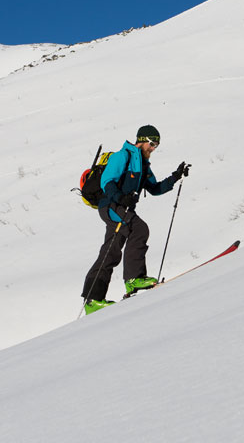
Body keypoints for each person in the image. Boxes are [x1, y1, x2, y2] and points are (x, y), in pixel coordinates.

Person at [81, 125, 189, 314]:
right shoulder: (122, 156)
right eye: (152, 143)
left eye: (156, 145)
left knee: (111, 251)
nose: (153, 148)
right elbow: (107, 180)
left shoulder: (143, 165)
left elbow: (155, 189)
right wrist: (121, 198)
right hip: (111, 206)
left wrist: (175, 177)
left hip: (122, 208)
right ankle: (133, 279)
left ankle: (93, 301)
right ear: (142, 140)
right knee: (139, 229)